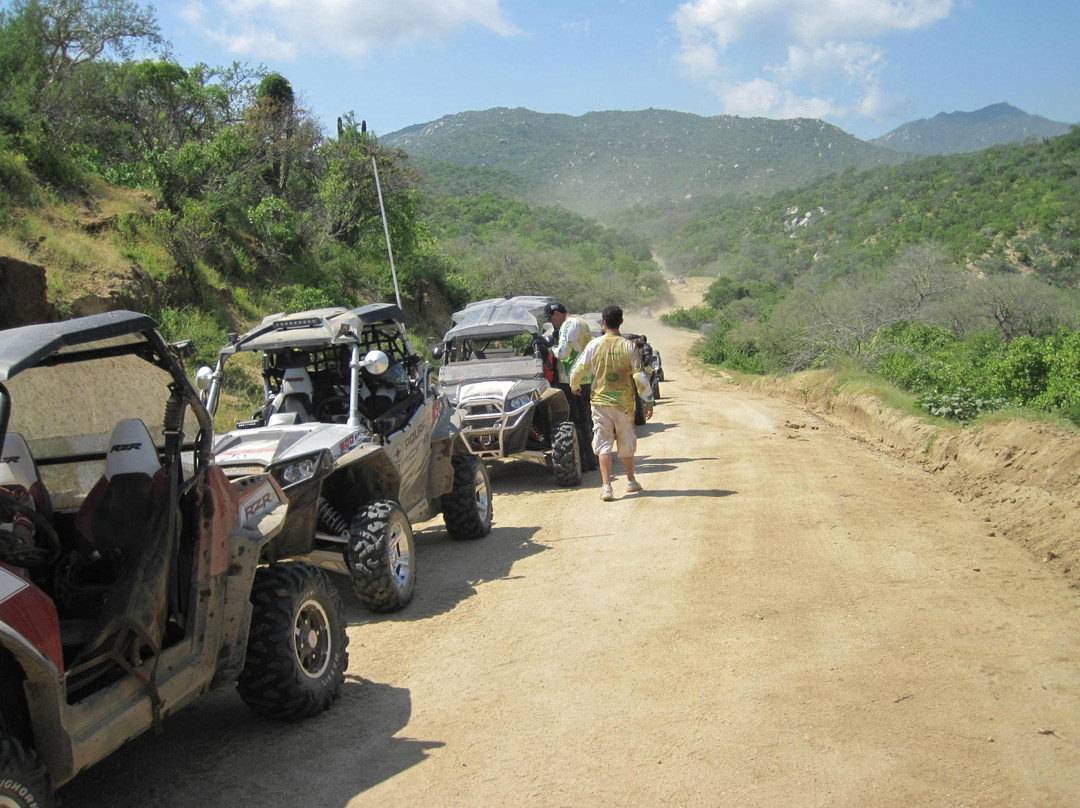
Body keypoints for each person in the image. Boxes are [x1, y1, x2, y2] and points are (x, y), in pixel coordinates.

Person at [569, 305, 653, 501]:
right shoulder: (629, 346)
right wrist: (648, 401)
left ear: (603, 322)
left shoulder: (594, 345)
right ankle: (631, 481)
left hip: (600, 402)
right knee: (626, 442)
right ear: (621, 322)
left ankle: (606, 487)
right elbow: (640, 377)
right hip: (624, 403)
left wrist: (574, 386)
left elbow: (577, 369)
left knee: (603, 443)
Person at [544, 301, 598, 471]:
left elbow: (562, 352)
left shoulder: (569, 324)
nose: (551, 322)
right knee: (585, 421)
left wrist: (548, 348)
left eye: (550, 318)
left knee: (574, 422)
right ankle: (591, 461)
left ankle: (581, 462)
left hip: (571, 380)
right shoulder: (582, 322)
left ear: (556, 314)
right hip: (586, 378)